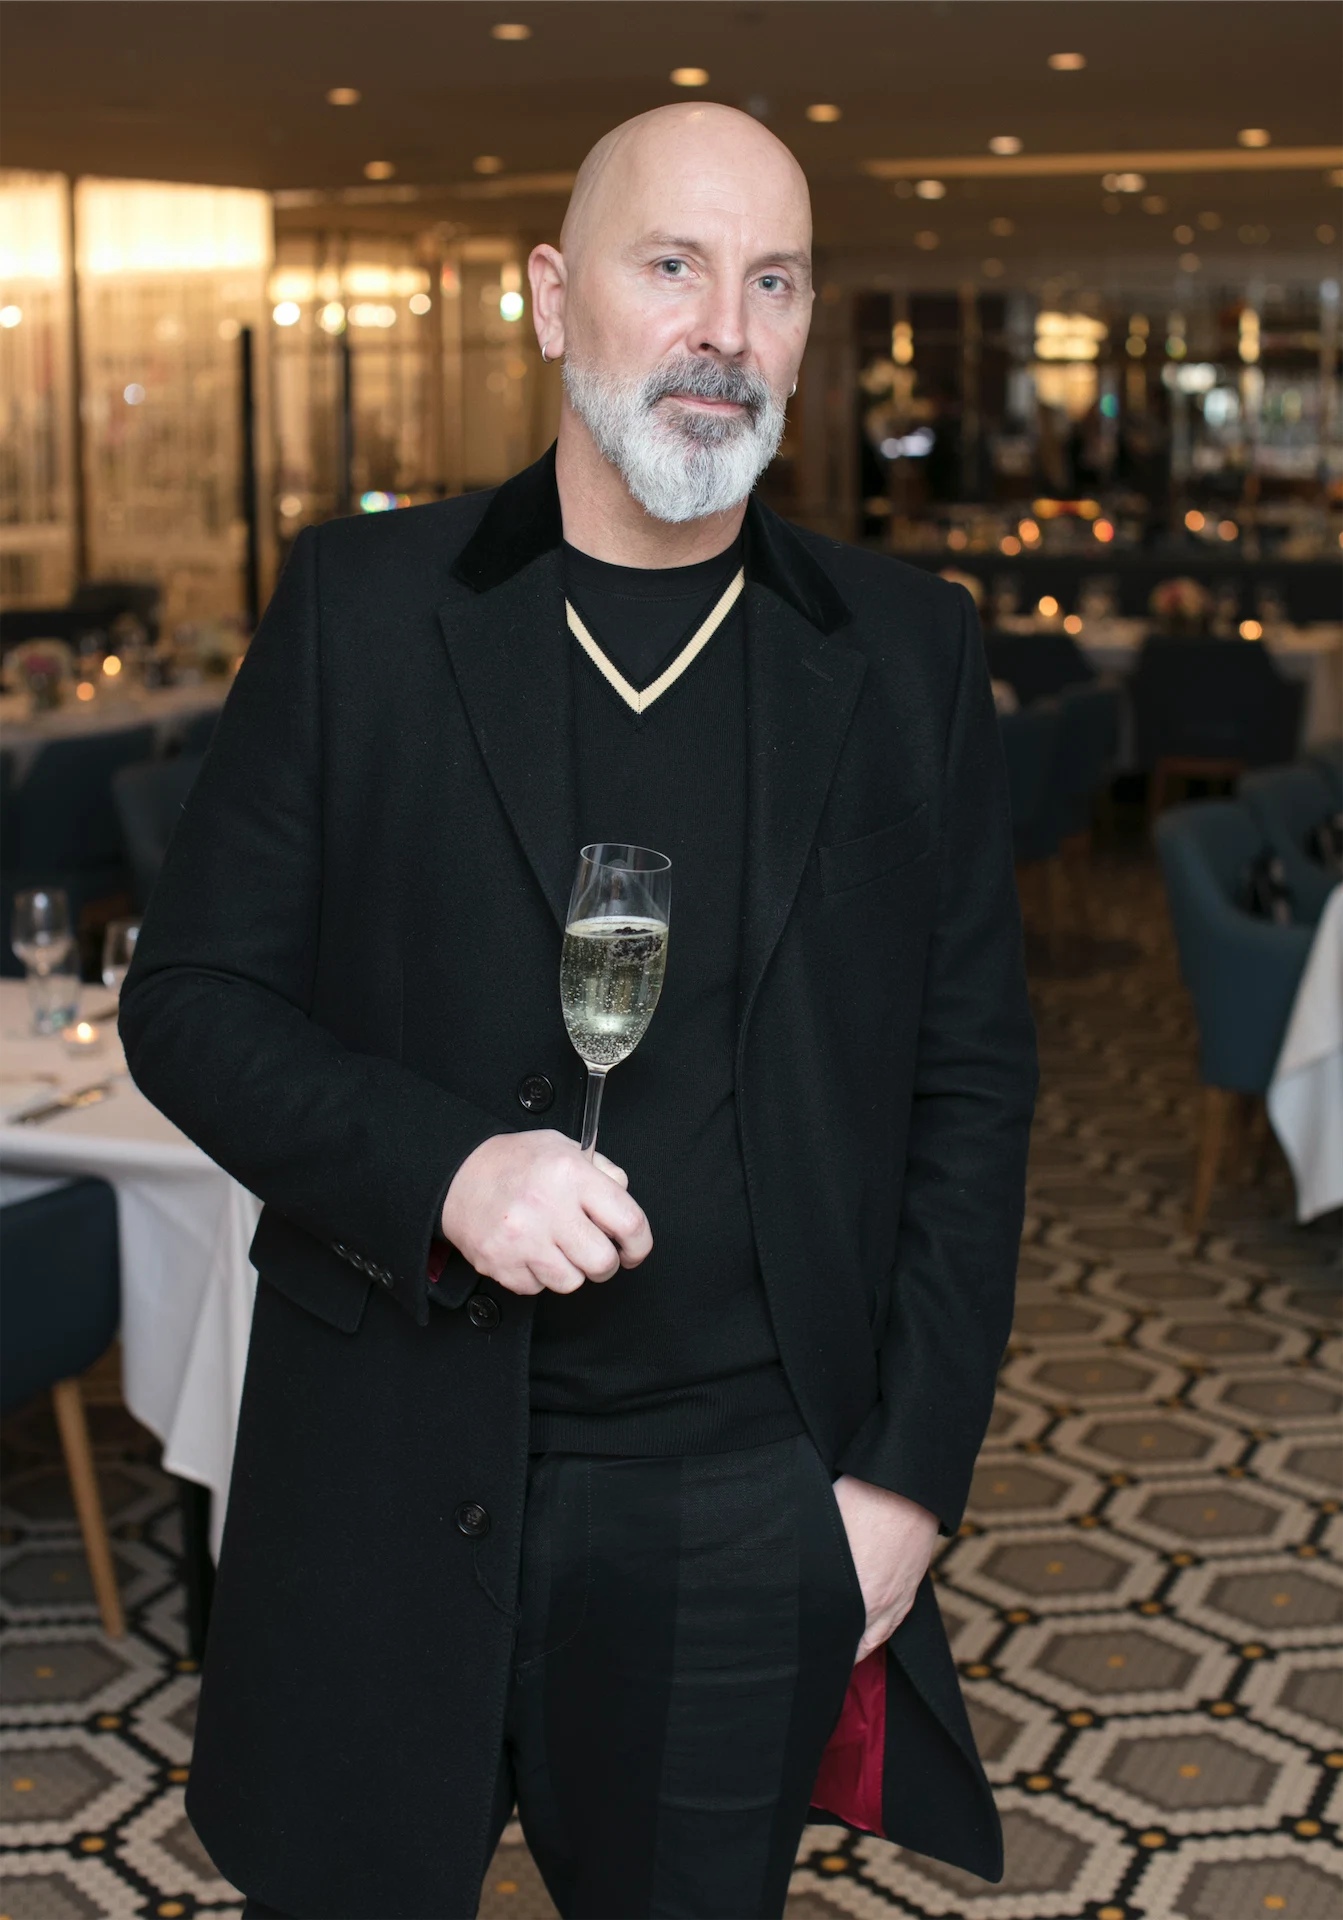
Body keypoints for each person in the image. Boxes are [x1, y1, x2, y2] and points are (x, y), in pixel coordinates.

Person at [120, 101, 1036, 1920]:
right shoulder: (360, 609)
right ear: (551, 299)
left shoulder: (903, 650)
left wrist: (904, 1481)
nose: (724, 329)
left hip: (737, 1496)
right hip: (385, 1450)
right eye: (671, 265)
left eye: (773, 283)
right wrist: (445, 1169)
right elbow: (192, 1000)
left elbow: (971, 1084)